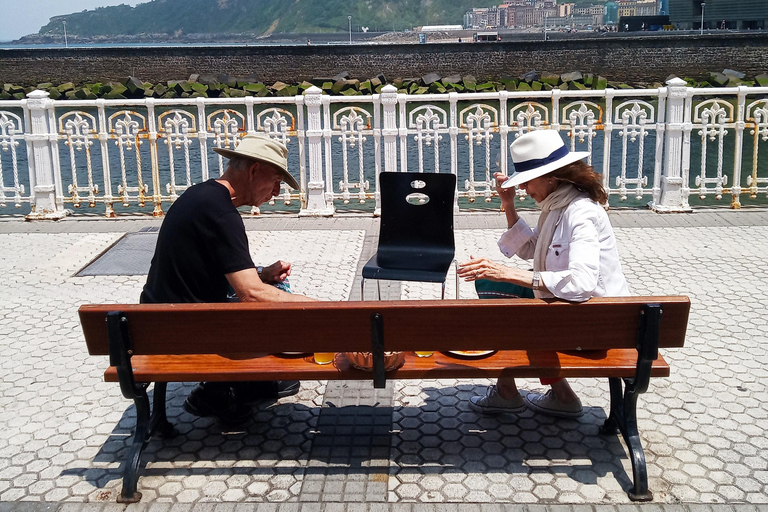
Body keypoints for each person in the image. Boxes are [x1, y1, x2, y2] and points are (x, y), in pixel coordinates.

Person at [141, 134, 316, 423]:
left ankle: (243, 385)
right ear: (254, 170)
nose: (275, 193)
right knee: (287, 315)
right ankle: (219, 391)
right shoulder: (222, 214)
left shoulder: (200, 196)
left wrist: (262, 274)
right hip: (188, 334)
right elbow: (251, 294)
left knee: (276, 286)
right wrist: (324, 308)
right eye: (276, 182)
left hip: (158, 324)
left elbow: (201, 272)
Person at [457, 130, 630, 418]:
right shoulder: (558, 205)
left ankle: (509, 392)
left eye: (528, 180)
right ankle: (549, 394)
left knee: (507, 304)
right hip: (593, 318)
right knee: (493, 285)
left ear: (551, 176)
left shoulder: (581, 213)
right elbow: (532, 248)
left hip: (594, 326)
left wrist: (509, 274)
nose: (524, 187)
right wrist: (509, 204)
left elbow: (581, 284)